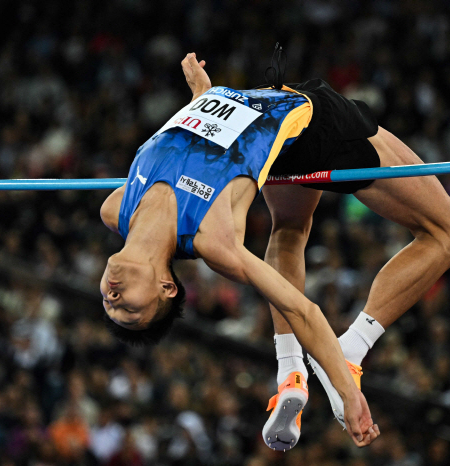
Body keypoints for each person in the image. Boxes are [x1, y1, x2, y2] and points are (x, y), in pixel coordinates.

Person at [99, 52, 379, 449]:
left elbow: (188, 145)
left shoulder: (116, 208)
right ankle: (334, 355)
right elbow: (301, 309)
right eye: (129, 309)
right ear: (167, 286)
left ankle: (295, 370)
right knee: (446, 229)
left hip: (256, 93)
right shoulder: (213, 239)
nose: (112, 298)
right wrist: (349, 395)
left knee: (293, 230)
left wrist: (201, 94)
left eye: (109, 305)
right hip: (316, 118)